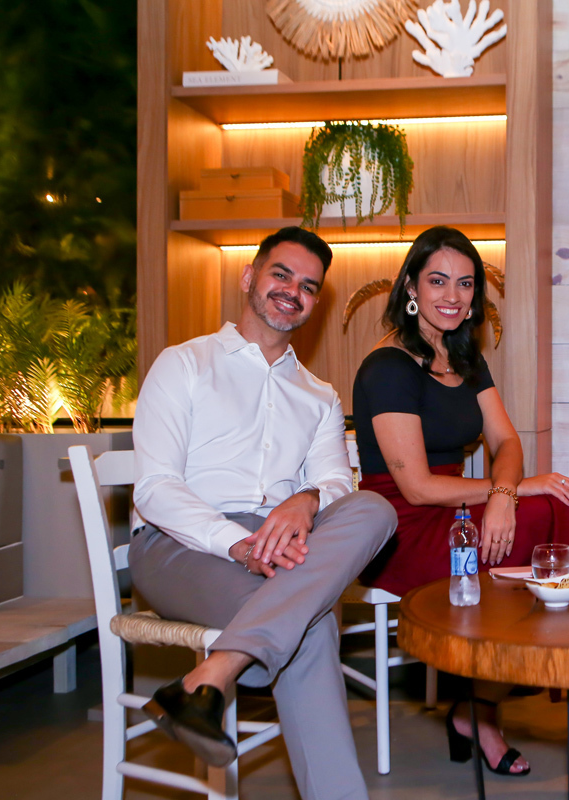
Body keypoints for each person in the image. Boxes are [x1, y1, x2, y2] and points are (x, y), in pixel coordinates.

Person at [128, 227, 397, 800]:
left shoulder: (320, 395)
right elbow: (154, 488)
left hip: (282, 543)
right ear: (249, 276)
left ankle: (211, 675)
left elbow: (334, 481)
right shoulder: (184, 364)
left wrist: (307, 499)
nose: (293, 291)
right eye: (281, 274)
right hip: (178, 543)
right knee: (310, 625)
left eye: (309, 286)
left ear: (315, 301)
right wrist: (236, 541)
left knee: (374, 508)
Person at [354, 226, 569, 777]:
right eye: (438, 281)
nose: (453, 295)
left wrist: (504, 495)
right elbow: (417, 488)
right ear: (411, 287)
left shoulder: (464, 357)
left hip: (460, 511)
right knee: (555, 515)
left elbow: (507, 442)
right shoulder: (388, 367)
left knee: (566, 509)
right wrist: (505, 492)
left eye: (465, 284)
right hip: (400, 528)